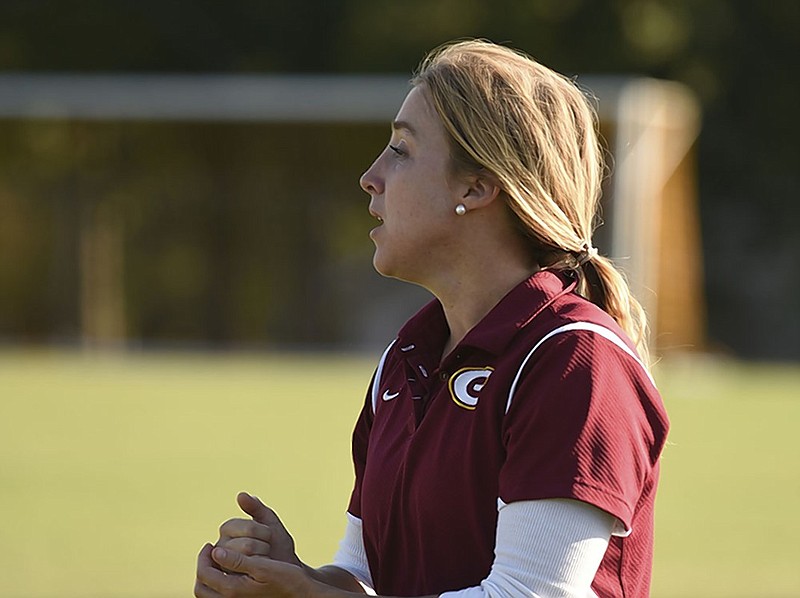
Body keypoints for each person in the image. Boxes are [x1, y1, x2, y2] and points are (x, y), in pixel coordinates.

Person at [194, 39, 669, 598]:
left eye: (400, 149)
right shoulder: (407, 357)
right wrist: (288, 580)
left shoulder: (574, 359)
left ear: (476, 186)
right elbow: (369, 579)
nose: (371, 177)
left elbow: (531, 594)